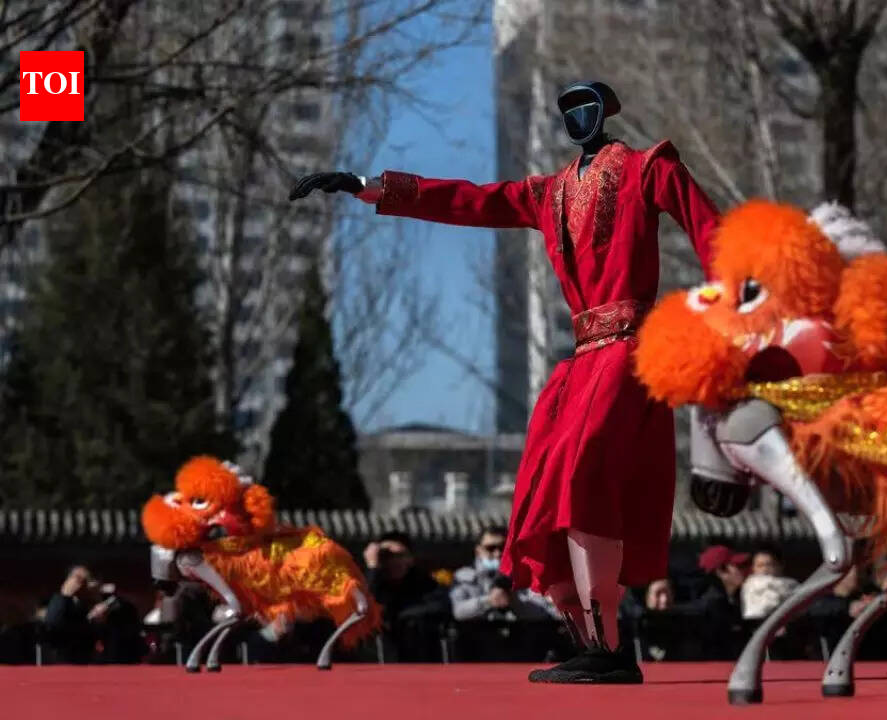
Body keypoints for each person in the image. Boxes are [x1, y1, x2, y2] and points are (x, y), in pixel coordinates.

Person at [290, 80, 719, 683]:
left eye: (586, 106)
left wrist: (726, 311)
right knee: (546, 496)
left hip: (630, 351)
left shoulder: (650, 167)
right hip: (580, 362)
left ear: (609, 111)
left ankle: (609, 646)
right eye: (567, 109)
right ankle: (594, 643)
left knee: (582, 473)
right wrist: (368, 187)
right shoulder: (549, 192)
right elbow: (471, 200)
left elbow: (713, 234)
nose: (578, 117)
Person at [364, 530, 449, 660]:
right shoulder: (374, 582)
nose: (394, 561)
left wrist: (401, 615)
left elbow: (441, 605)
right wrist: (372, 567)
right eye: (387, 556)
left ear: (410, 559)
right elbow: (364, 608)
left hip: (420, 657)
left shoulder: (424, 583)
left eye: (400, 555)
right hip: (382, 661)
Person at [450, 526, 554, 622]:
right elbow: (458, 611)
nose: (497, 553)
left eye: (502, 547)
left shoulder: (522, 575)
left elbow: (543, 611)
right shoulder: (463, 576)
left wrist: (514, 600)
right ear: (478, 550)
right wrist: (489, 601)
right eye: (490, 548)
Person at [43, 566, 143, 664]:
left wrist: (106, 620)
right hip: (75, 666)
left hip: (113, 665)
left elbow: (130, 634)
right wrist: (64, 596)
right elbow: (51, 628)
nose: (82, 585)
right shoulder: (65, 607)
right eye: (78, 580)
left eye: (87, 580)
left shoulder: (117, 606)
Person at [740, 548, 799, 620]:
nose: (765, 569)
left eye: (770, 564)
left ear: (781, 565)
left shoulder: (793, 586)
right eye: (760, 565)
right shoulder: (748, 588)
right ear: (753, 568)